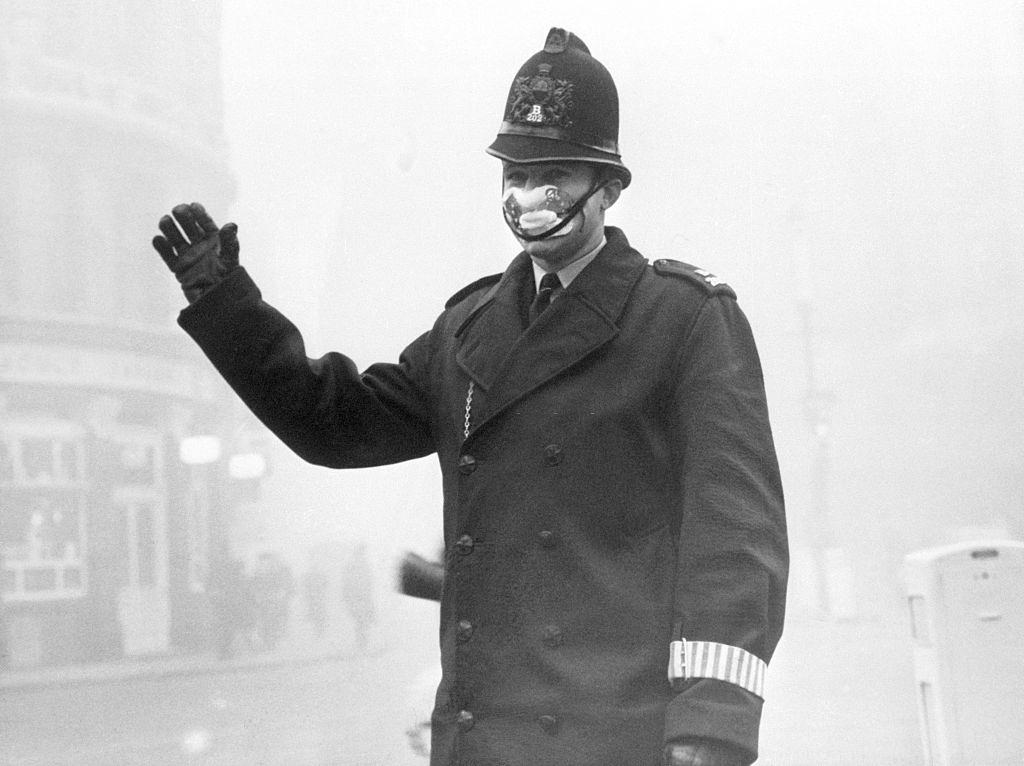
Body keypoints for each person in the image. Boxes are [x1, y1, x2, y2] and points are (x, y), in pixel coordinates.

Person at [151, 27, 787, 766]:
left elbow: (735, 545)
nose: (528, 198)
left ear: (608, 187)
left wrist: (709, 732)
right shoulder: (468, 329)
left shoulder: (683, 320)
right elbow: (334, 422)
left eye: (553, 175)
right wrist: (226, 301)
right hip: (481, 740)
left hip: (618, 737)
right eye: (514, 174)